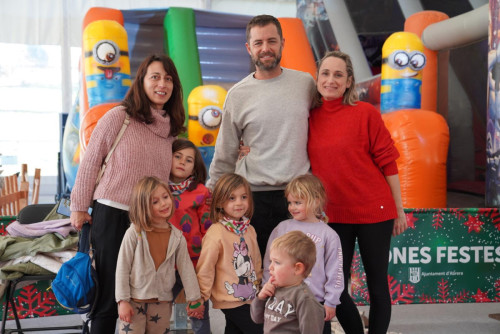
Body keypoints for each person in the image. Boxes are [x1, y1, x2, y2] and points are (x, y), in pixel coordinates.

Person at [69, 54, 186, 333]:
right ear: (141, 81)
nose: (162, 84)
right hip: (112, 214)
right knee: (110, 294)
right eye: (155, 77)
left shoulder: (170, 129)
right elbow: (91, 161)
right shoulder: (119, 116)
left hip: (147, 221)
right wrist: (78, 206)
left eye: (168, 79)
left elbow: (169, 175)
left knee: (140, 296)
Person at [308, 50, 407, 334]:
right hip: (333, 215)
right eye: (325, 74)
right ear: (317, 79)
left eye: (338, 74)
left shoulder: (365, 113)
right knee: (333, 287)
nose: (331, 80)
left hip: (374, 211)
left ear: (349, 81)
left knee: (377, 285)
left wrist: (399, 210)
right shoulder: (309, 117)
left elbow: (388, 162)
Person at [206, 14, 316, 255]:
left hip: (298, 195)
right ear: (249, 48)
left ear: (283, 43)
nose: (265, 48)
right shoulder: (237, 95)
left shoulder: (305, 84)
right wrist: (212, 197)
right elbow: (225, 151)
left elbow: (324, 130)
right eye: (258, 43)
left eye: (271, 41)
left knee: (298, 274)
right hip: (253, 198)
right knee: (255, 275)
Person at [115, 176, 204, 333]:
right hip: (134, 301)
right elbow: (122, 268)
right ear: (143, 206)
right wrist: (122, 300)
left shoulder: (177, 236)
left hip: (162, 301)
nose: (164, 203)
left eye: (165, 197)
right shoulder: (134, 233)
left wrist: (194, 298)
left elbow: (186, 269)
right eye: (155, 202)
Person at [262, 174, 343, 334]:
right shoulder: (282, 228)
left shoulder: (329, 235)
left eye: (298, 202)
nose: (292, 207)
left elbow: (335, 271)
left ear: (316, 201)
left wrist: (331, 302)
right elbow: (269, 262)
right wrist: (268, 286)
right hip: (283, 302)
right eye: (290, 202)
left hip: (315, 304)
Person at [196, 173, 263, 333]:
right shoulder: (216, 233)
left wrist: (259, 287)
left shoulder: (249, 229)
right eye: (232, 198)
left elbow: (256, 260)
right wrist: (200, 297)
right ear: (220, 202)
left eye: (244, 197)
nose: (239, 203)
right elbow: (206, 267)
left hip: (251, 295)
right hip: (230, 297)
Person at [169, 138, 212, 333]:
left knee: (198, 311)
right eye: (177, 157)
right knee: (161, 308)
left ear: (195, 167)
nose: (182, 162)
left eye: (188, 160)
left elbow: (208, 228)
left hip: (193, 262)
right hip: (165, 262)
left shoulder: (201, 192)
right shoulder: (158, 190)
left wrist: (206, 260)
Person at [251, 230, 325, 334]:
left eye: (277, 262)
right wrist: (261, 298)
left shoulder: (305, 300)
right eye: (270, 261)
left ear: (297, 268)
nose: (270, 267)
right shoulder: (273, 289)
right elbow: (257, 319)